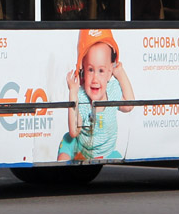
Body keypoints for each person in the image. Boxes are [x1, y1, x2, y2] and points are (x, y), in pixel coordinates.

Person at [58, 29, 135, 161]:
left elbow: (129, 105)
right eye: (90, 70)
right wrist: (73, 93)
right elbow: (74, 131)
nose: (95, 78)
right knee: (65, 150)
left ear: (110, 71)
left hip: (106, 152)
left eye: (101, 71)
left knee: (116, 160)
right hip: (79, 149)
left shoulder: (112, 92)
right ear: (82, 69)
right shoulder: (81, 98)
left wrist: (120, 73)